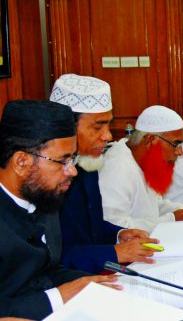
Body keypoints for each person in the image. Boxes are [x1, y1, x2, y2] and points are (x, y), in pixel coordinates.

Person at [0, 100, 118, 319]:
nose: (72, 171)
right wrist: (58, 296)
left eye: (72, 158)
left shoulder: (44, 199)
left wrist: (104, 284)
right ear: (21, 162)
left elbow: (45, 271)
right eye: (63, 160)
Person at [50, 74, 159, 273]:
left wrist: (119, 234)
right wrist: (113, 253)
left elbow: (91, 226)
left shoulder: (88, 163)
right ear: (68, 127)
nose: (108, 136)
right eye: (98, 126)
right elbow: (51, 257)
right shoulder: (45, 176)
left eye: (108, 124)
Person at [101, 106, 183, 232]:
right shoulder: (117, 168)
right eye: (176, 144)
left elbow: (152, 207)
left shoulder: (144, 161)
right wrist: (171, 219)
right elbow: (115, 226)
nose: (180, 152)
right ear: (150, 140)